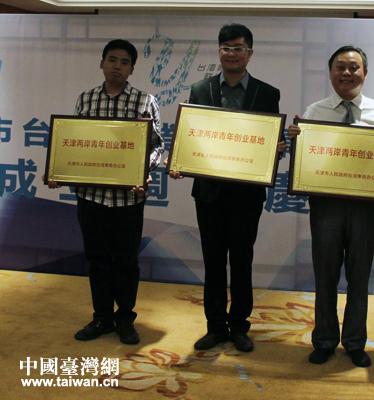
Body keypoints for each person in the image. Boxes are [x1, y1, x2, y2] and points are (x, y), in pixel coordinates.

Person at [168, 23, 285, 353]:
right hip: (209, 192)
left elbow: (269, 140)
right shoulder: (200, 89)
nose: (232, 53)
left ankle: (240, 327)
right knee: (214, 262)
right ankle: (216, 327)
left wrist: (277, 149)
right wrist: (181, 159)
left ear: (250, 52)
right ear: (219, 52)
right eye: (226, 48)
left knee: (242, 262)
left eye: (238, 48)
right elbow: (193, 135)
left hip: (247, 195)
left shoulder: (268, 93)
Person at [287, 46, 374, 368]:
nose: (347, 73)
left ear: (365, 73)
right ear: (330, 73)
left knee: (359, 277)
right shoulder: (314, 112)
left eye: (354, 67)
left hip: (364, 208)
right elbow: (305, 162)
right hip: (326, 207)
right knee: (324, 275)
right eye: (340, 67)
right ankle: (324, 340)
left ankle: (354, 342)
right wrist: (296, 140)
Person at [47, 39, 164, 344]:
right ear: (102, 63)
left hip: (129, 197)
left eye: (124, 62)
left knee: (126, 261)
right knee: (97, 259)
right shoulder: (85, 99)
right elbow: (74, 142)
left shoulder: (145, 101)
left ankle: (124, 318)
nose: (117, 67)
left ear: (132, 69)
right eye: (112, 60)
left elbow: (157, 146)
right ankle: (101, 317)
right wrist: (60, 171)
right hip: (91, 196)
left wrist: (144, 169)